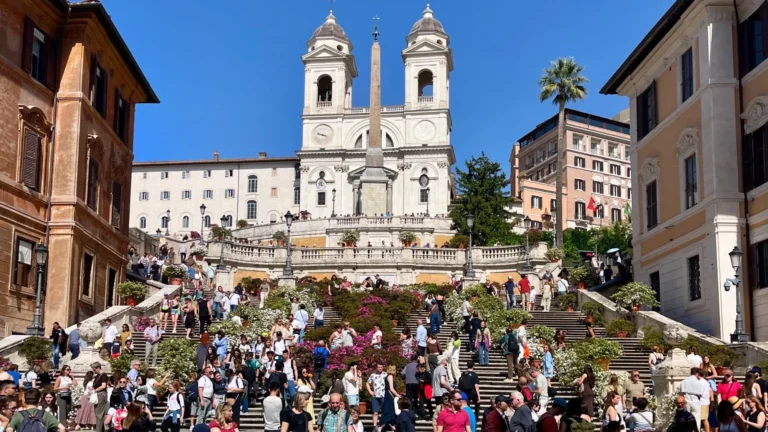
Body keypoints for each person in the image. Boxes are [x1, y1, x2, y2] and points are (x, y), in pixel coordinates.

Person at [366, 363, 388, 429]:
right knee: (375, 412)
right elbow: (367, 383)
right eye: (379, 367)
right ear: (376, 368)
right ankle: (375, 426)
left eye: (381, 367)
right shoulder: (373, 375)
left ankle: (384, 425)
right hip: (375, 396)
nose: (380, 368)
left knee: (385, 411)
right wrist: (370, 391)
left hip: (384, 395)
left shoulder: (386, 374)